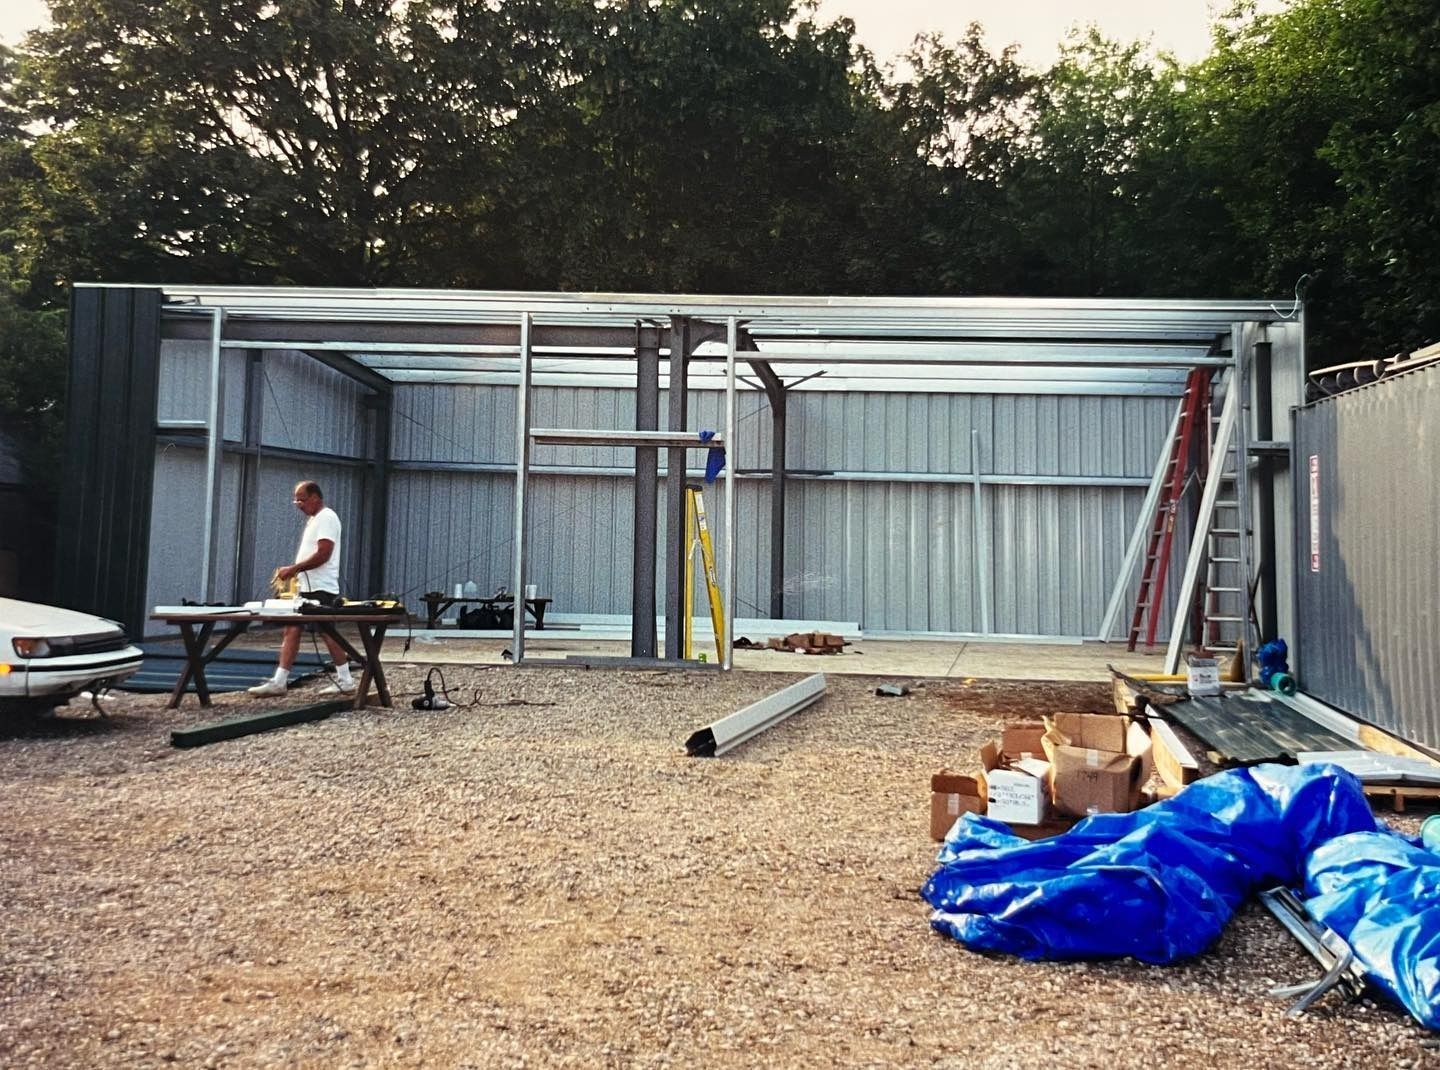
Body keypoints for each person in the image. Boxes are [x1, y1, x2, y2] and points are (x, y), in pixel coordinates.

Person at [248, 481, 356, 696]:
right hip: (307, 588)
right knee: (292, 629)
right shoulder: (314, 520)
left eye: (302, 500)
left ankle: (345, 678)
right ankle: (280, 680)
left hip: (320, 588)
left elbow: (324, 553)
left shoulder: (326, 518)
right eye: (296, 500)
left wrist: (294, 569)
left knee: (327, 632)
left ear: (315, 497)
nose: (298, 504)